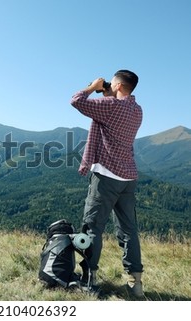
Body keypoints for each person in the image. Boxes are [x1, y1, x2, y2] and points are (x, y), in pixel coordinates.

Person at [70, 70, 144, 298]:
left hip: (106, 176)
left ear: (119, 86)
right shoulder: (137, 110)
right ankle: (136, 285)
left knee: (93, 227)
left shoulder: (111, 107)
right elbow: (108, 113)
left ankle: (88, 279)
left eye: (112, 83)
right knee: (128, 230)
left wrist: (93, 87)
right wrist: (106, 91)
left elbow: (76, 101)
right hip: (128, 177)